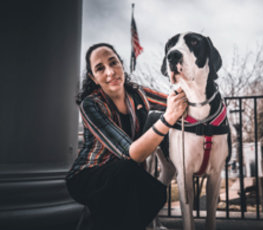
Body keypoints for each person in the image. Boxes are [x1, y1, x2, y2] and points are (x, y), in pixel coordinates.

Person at [66, 43, 187, 230]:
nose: (110, 72)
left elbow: (172, 101)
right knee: (128, 174)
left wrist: (189, 89)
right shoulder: (91, 104)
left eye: (113, 63)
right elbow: (131, 154)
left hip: (124, 173)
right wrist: (169, 117)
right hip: (88, 176)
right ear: (93, 78)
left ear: (122, 65)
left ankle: (92, 221)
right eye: (100, 68)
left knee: (156, 192)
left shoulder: (138, 94)